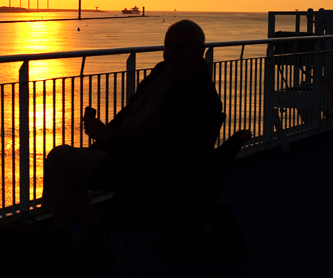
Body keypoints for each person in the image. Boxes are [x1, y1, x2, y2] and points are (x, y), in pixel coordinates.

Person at [43, 20, 223, 261]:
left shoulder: (197, 96)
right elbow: (130, 110)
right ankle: (86, 238)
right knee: (71, 164)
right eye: (168, 46)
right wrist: (107, 135)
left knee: (59, 159)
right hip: (127, 156)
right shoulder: (162, 72)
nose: (171, 53)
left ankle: (64, 239)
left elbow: (158, 145)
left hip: (142, 175)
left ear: (198, 51)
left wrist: (108, 138)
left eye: (180, 47)